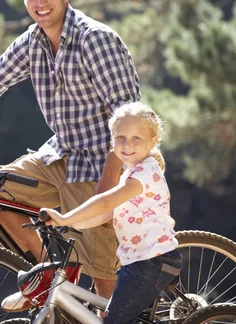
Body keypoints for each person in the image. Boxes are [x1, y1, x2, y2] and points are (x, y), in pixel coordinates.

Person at [0, 0, 140, 310]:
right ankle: (50, 273)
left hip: (103, 160)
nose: (40, 2)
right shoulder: (32, 41)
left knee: (105, 283)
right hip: (60, 154)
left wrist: (109, 181)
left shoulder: (95, 39)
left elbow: (128, 118)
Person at [41, 102, 181, 323]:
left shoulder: (145, 174)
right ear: (112, 139)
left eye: (137, 138)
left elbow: (106, 202)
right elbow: (108, 214)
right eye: (121, 138)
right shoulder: (130, 172)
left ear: (153, 141)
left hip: (152, 262)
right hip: (137, 262)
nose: (127, 144)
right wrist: (74, 225)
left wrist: (67, 217)